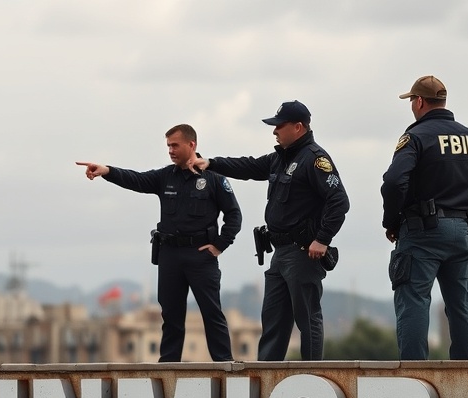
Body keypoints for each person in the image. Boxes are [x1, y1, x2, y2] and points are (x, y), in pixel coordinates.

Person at [192, 101, 349, 361]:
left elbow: (339, 200)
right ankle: (267, 380)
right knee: (274, 321)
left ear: (298, 127)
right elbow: (248, 166)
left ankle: (312, 374)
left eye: (279, 126)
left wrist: (322, 239)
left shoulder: (314, 159)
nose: (274, 131)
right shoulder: (280, 157)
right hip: (280, 253)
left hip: (302, 252)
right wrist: (211, 163)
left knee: (308, 319)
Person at [76, 124, 242, 362]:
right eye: (168, 146)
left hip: (201, 256)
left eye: (175, 145)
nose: (170, 151)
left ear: (191, 145)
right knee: (171, 316)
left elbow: (234, 215)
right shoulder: (166, 176)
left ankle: (224, 363)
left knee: (211, 313)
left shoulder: (213, 177)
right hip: (170, 256)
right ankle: (168, 367)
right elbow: (138, 180)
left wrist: (219, 246)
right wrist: (107, 171)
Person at [381, 75, 468, 360]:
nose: (412, 106)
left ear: (420, 101)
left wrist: (392, 222)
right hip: (461, 233)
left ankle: (414, 375)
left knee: (414, 302)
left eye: (412, 101)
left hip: (421, 232)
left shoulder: (415, 137)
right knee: (462, 306)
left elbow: (394, 182)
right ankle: (467, 374)